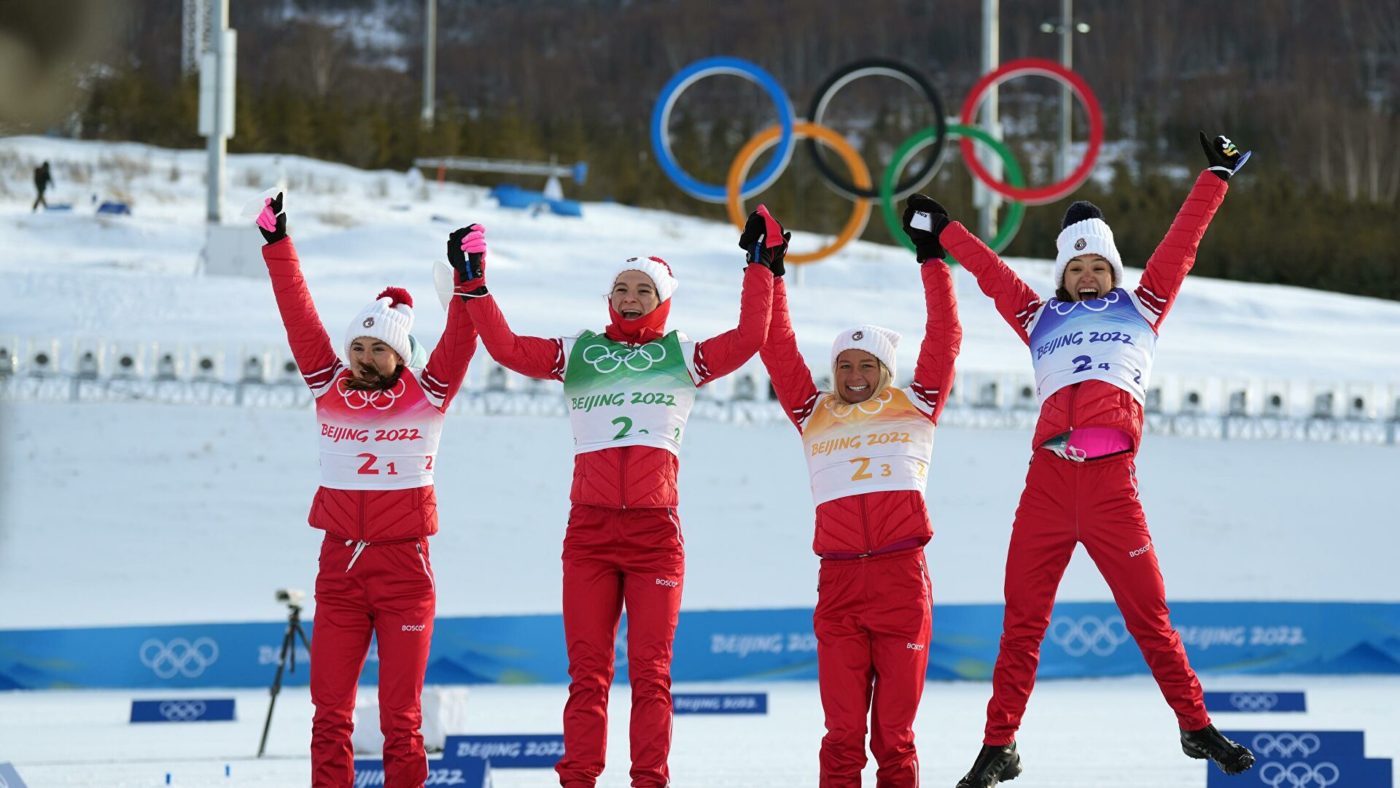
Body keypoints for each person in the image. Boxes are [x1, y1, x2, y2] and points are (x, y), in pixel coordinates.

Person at [899, 133, 1257, 787]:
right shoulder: (1038, 317)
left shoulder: (1142, 307)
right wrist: (943, 232)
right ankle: (1000, 745)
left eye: (1097, 266)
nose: (1087, 276)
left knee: (1150, 615)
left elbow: (1181, 245)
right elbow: (992, 276)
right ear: (1061, 274)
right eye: (1075, 268)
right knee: (1023, 621)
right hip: (1049, 483)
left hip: (1111, 483)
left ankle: (1194, 723)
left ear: (1113, 272)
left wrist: (1216, 174)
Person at [447, 216, 777, 788]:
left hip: (655, 535)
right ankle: (578, 779)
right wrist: (474, 282)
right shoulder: (580, 351)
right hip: (590, 533)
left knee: (651, 675)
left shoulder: (685, 354)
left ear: (663, 299)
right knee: (587, 675)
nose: (629, 299)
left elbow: (751, 337)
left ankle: (649, 780)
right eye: (620, 289)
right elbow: (505, 348)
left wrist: (761, 266)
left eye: (642, 290)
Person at [255, 193, 479, 787]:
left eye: (378, 347)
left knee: (401, 719)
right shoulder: (327, 385)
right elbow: (298, 313)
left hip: (406, 572)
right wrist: (278, 246)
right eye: (357, 345)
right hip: (340, 569)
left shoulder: (429, 393)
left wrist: (469, 279)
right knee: (329, 715)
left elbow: (463, 338)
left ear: (400, 355)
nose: (363, 356)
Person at [757, 204, 962, 787]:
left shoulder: (918, 404)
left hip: (902, 580)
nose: (851, 375)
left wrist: (933, 258)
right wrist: (770, 272)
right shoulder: (812, 411)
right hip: (840, 584)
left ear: (885, 369)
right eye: (842, 365)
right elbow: (776, 344)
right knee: (842, 737)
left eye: (865, 364)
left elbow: (947, 335)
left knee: (894, 739)